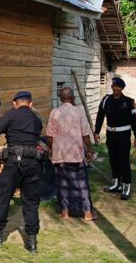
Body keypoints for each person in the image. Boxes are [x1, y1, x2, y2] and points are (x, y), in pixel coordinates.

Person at [0, 91, 44, 253]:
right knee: (31, 201)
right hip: (33, 162)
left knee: (4, 197)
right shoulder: (36, 119)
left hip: (14, 162)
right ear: (30, 104)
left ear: (14, 103)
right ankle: (32, 241)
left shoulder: (11, 115)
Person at [46, 87, 96, 221]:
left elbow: (49, 135)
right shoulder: (79, 111)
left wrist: (50, 148)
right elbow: (85, 134)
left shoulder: (55, 112)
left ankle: (65, 212)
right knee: (81, 183)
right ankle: (87, 213)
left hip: (60, 154)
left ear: (61, 99)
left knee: (62, 182)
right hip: (76, 154)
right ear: (73, 98)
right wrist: (89, 150)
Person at [94, 77, 136, 200]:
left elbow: (134, 121)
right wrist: (96, 132)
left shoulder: (129, 102)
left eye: (118, 87)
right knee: (113, 160)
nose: (115, 88)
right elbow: (100, 116)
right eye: (114, 86)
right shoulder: (106, 100)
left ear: (122, 88)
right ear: (112, 87)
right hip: (111, 134)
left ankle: (126, 186)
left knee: (123, 161)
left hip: (124, 135)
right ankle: (116, 184)